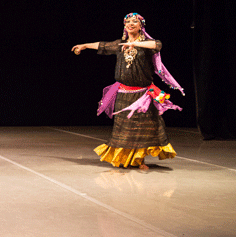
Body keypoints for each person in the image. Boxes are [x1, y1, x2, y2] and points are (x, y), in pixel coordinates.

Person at [72, 13, 184, 170]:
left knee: (142, 129)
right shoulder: (120, 44)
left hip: (143, 95)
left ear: (140, 26)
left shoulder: (147, 45)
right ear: (124, 26)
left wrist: (136, 45)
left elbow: (157, 45)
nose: (130, 24)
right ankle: (125, 158)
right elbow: (103, 45)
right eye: (127, 22)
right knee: (124, 129)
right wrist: (85, 45)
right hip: (124, 93)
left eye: (134, 22)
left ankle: (140, 160)